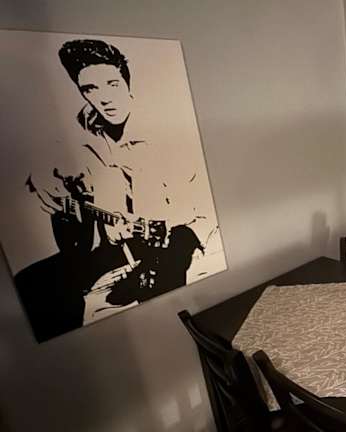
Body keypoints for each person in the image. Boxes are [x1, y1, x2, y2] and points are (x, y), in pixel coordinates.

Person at [15, 39, 207, 342]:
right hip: (107, 244)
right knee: (30, 283)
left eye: (112, 84)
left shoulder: (162, 130)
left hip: (162, 236)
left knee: (175, 250)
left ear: (127, 83)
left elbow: (190, 203)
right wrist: (51, 188)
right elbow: (40, 176)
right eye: (90, 89)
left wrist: (139, 216)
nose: (103, 98)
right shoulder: (84, 128)